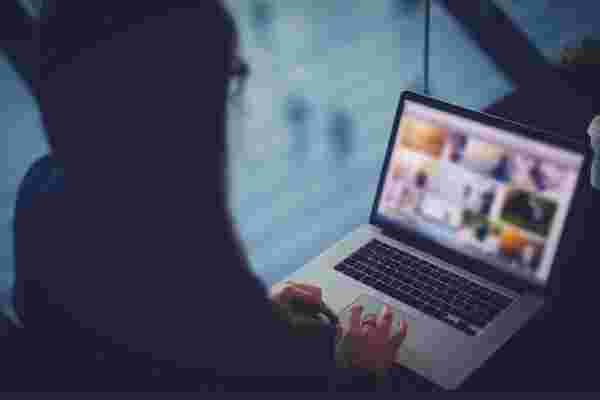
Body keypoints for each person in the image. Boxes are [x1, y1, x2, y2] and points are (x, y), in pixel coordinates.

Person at [14, 1, 408, 391]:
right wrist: (358, 374)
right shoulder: (194, 275)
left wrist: (261, 320)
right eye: (224, 80)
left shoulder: (39, 192)